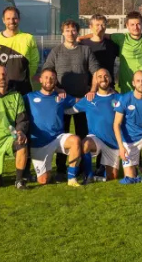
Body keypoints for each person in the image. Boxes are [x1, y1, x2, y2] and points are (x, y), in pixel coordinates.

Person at [43, 19, 100, 178]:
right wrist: (57, 88)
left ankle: (80, 166)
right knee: (62, 135)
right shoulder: (56, 51)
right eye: (67, 30)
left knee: (82, 135)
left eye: (73, 30)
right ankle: (61, 168)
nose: (71, 33)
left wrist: (93, 89)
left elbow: (96, 72)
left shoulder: (85, 50)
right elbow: (47, 71)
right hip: (62, 102)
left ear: (78, 32)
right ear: (63, 33)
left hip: (81, 101)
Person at [25, 69, 83, 187]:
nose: (49, 80)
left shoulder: (61, 97)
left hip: (58, 138)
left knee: (75, 141)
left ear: (55, 81)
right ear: (40, 79)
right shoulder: (29, 97)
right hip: (39, 143)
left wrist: (96, 97)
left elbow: (79, 101)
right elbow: (14, 104)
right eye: (46, 77)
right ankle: (46, 172)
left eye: (52, 78)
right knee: (43, 180)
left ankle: (71, 178)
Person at [72, 68, 124, 182]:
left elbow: (134, 100)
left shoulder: (119, 98)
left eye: (106, 76)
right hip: (96, 139)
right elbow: (70, 109)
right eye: (99, 76)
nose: (103, 78)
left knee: (113, 176)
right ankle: (89, 175)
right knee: (85, 143)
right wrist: (56, 100)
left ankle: (100, 172)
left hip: (113, 143)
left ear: (110, 78)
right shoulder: (90, 98)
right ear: (95, 80)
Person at [0, 6, 39, 97]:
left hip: (24, 88)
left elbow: (34, 63)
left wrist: (23, 77)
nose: (11, 21)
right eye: (8, 18)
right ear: (3, 20)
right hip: (2, 90)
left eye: (14, 18)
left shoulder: (28, 38)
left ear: (19, 19)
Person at [110, 11, 142, 94]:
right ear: (127, 25)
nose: (136, 27)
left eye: (138, 24)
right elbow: (99, 35)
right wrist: (81, 38)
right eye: (132, 24)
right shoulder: (121, 38)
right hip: (127, 86)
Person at [78, 14, 120, 80]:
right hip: (88, 87)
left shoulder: (112, 45)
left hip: (108, 86)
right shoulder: (82, 45)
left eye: (103, 25)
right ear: (91, 27)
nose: (100, 28)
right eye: (97, 25)